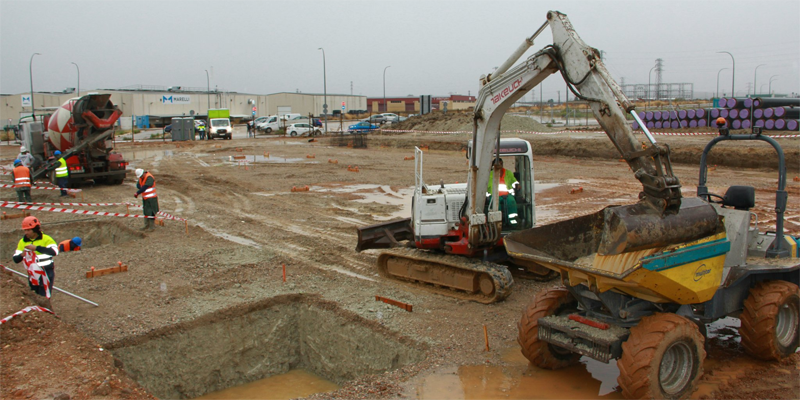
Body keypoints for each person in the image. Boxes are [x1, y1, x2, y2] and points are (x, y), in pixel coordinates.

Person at [13, 216, 58, 307]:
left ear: (35, 229)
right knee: (34, 295)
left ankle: (46, 313)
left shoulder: (46, 239)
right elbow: (15, 259)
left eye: (28, 230)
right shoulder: (22, 242)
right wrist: (22, 254)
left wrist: (36, 248)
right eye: (25, 230)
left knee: (44, 295)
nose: (26, 233)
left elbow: (54, 252)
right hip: (33, 273)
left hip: (46, 271)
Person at [487, 158, 519, 227]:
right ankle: (496, 224)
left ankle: (513, 223)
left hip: (507, 194)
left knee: (511, 202)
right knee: (496, 206)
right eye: (498, 164)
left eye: (501, 164)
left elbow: (514, 181)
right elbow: (486, 186)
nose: (500, 166)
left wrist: (517, 184)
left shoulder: (508, 173)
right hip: (494, 195)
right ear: (493, 165)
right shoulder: (489, 174)